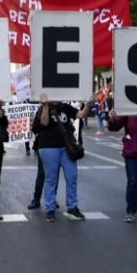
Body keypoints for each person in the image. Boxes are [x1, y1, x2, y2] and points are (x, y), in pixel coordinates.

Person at [33, 93, 90, 222]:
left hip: (66, 148)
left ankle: (72, 207)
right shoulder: (43, 109)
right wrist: (46, 106)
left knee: (72, 177)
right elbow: (44, 122)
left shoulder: (65, 107)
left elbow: (81, 115)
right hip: (48, 147)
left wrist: (88, 104)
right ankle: (50, 209)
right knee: (51, 179)